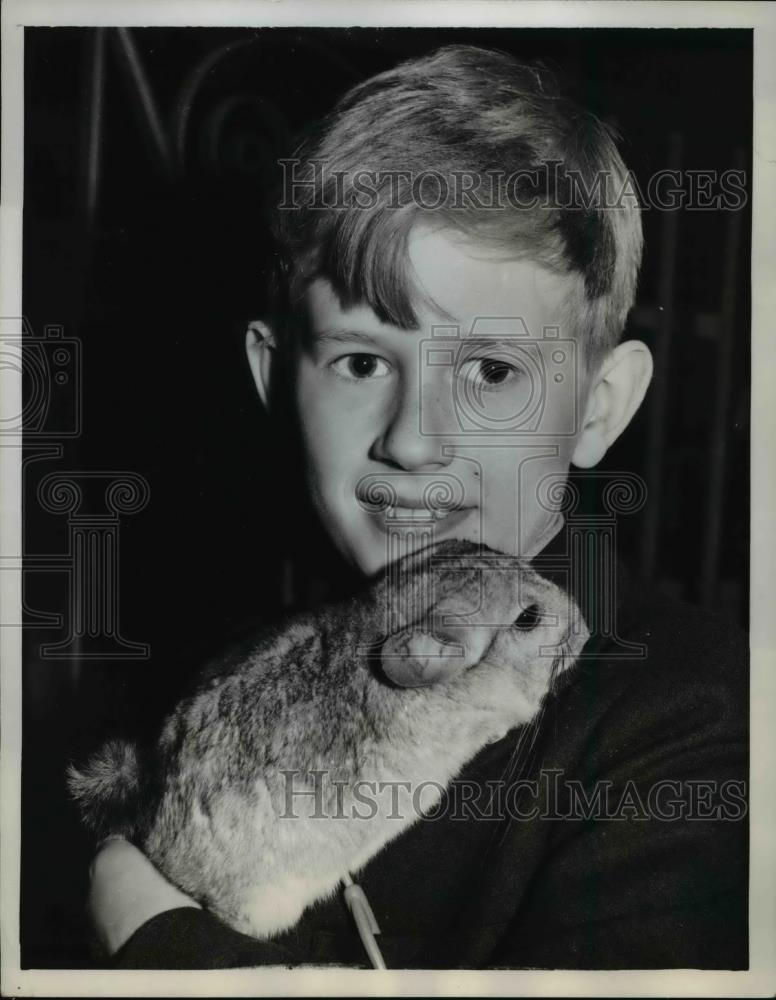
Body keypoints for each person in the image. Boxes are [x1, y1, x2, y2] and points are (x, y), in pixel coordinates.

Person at [85, 44, 748, 969]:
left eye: (490, 370)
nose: (413, 439)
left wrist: (157, 943)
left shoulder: (695, 724)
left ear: (600, 408)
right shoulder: (233, 667)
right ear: (276, 378)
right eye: (361, 361)